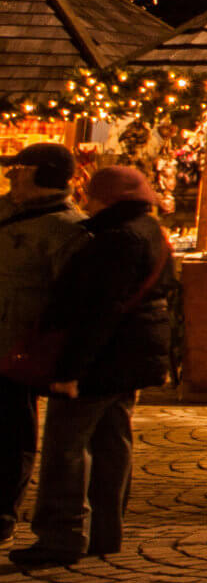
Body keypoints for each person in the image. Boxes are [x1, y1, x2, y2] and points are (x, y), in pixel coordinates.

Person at [9, 165, 173, 571]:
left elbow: (98, 311)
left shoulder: (115, 239)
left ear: (107, 198)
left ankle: (60, 535)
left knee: (65, 447)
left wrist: (70, 370)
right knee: (113, 443)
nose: (85, 200)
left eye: (92, 194)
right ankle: (106, 531)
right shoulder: (149, 231)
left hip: (103, 359)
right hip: (133, 356)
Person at [0, 143, 87, 547]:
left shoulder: (66, 229)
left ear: (43, 174)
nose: (10, 175)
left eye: (19, 168)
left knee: (10, 432)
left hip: (15, 349)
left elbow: (71, 299)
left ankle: (2, 512)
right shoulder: (5, 211)